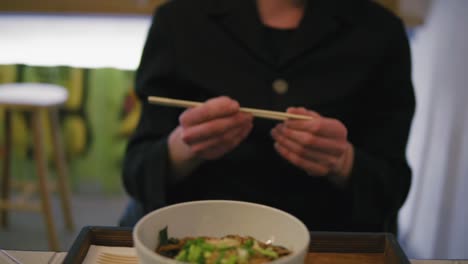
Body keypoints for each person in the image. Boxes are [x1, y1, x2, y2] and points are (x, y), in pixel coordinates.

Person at [120, 0, 415, 234]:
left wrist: (343, 161)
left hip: (326, 241)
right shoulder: (178, 21)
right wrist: (184, 147)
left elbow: (392, 186)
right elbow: (137, 171)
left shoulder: (380, 32)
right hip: (197, 236)